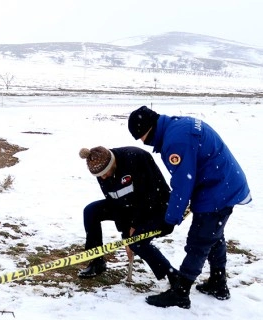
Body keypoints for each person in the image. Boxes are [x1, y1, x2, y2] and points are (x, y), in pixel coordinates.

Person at [128, 106, 252, 309]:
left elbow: (183, 183)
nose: (143, 142)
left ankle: (181, 292)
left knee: (200, 241)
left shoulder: (175, 141)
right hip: (222, 183)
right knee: (214, 235)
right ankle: (218, 283)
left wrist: (171, 219)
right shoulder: (177, 127)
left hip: (217, 189)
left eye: (141, 136)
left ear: (148, 129)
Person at [78, 146, 175, 282]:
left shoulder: (135, 158)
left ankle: (173, 276)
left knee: (137, 242)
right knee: (91, 211)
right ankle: (96, 262)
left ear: (112, 162)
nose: (103, 178)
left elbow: (149, 196)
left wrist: (133, 228)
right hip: (128, 207)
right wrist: (125, 236)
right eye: (99, 176)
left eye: (105, 173)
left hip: (157, 207)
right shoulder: (100, 170)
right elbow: (115, 202)